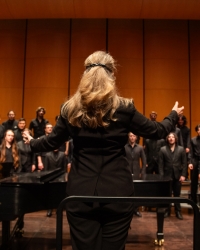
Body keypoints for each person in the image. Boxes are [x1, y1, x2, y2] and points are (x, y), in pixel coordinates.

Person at [23, 51, 184, 250]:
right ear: (111, 76)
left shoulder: (70, 109)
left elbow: (50, 142)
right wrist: (173, 115)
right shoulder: (125, 108)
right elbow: (157, 131)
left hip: (80, 194)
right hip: (118, 193)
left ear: (85, 76)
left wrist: (31, 142)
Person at [159, 132, 187, 220]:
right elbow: (160, 164)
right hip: (167, 176)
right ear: (167, 139)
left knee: (177, 194)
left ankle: (178, 211)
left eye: (173, 137)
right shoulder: (162, 149)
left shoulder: (181, 149)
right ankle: (167, 211)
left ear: (175, 139)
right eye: (169, 137)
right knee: (167, 194)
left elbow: (184, 163)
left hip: (178, 175)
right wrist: (161, 176)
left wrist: (183, 175)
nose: (171, 138)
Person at [125, 132, 146, 217]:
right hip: (127, 171)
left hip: (137, 172)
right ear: (128, 137)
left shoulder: (140, 148)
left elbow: (144, 161)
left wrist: (142, 172)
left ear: (136, 137)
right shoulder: (125, 147)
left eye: (134, 136)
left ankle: (136, 209)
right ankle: (128, 209)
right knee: (127, 191)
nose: (132, 137)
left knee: (136, 191)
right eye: (130, 136)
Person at [45, 149, 67, 217]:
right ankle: (49, 209)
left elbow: (64, 168)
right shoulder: (47, 155)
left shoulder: (62, 154)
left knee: (59, 194)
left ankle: (58, 209)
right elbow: (46, 168)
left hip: (60, 177)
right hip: (51, 178)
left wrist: (64, 177)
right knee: (50, 194)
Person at [188, 124, 200, 204]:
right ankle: (193, 200)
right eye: (199, 130)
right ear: (197, 131)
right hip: (195, 160)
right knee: (194, 182)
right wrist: (190, 162)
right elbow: (191, 152)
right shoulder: (193, 140)